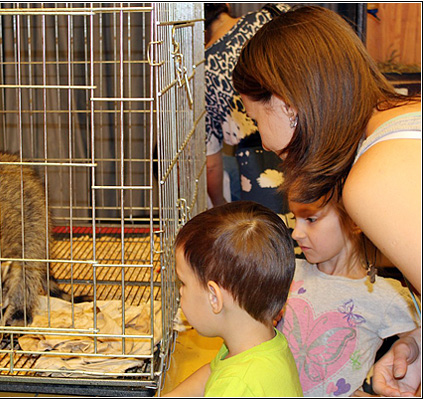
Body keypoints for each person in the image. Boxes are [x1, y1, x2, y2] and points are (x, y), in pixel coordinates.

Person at [232, 6, 421, 393]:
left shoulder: (373, 179)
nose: (264, 142)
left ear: (288, 103)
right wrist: (416, 345)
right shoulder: (407, 121)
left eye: (255, 119)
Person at [277, 187, 419, 396]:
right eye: (294, 219)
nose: (296, 233)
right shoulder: (286, 272)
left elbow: (417, 341)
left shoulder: (385, 295)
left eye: (311, 219)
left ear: (354, 220)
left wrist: (412, 347)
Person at [163, 201, 302, 397]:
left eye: (183, 283)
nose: (180, 292)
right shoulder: (254, 344)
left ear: (214, 298)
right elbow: (212, 373)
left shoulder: (236, 386)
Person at [205, 3, 290, 212]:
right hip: (313, 138)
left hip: (255, 164)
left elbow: (211, 165)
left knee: (269, 234)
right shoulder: (275, 14)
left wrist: (219, 204)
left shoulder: (205, 68)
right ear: (225, 4)